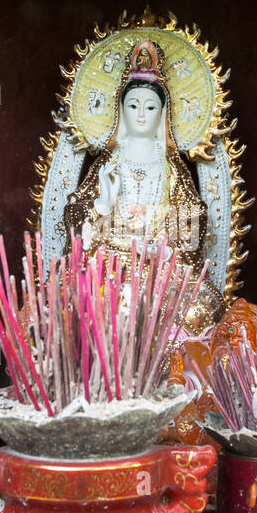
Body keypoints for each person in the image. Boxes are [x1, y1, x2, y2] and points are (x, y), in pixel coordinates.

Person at [63, 38, 222, 331]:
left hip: (160, 269)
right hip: (109, 264)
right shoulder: (109, 163)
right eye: (133, 105)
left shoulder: (171, 168)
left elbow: (193, 216)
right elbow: (75, 215)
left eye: (150, 107)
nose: (140, 114)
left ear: (162, 113)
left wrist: (165, 248)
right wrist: (102, 205)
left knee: (199, 313)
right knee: (71, 306)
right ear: (120, 109)